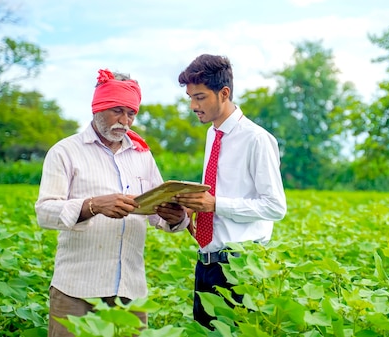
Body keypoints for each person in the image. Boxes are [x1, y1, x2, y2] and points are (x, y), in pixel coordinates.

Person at [35, 69, 188, 337]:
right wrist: (93, 206)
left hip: (129, 290)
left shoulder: (142, 155)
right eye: (117, 111)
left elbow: (157, 215)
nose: (125, 121)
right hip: (76, 290)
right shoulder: (65, 152)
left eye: (131, 113)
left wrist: (174, 217)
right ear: (98, 108)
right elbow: (45, 212)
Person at [174, 54, 287, 329]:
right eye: (190, 97)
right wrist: (192, 207)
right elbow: (216, 193)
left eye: (200, 97)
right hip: (206, 264)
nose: (193, 105)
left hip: (240, 267)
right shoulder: (213, 133)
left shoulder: (257, 139)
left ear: (223, 93)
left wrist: (215, 205)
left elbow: (275, 206)